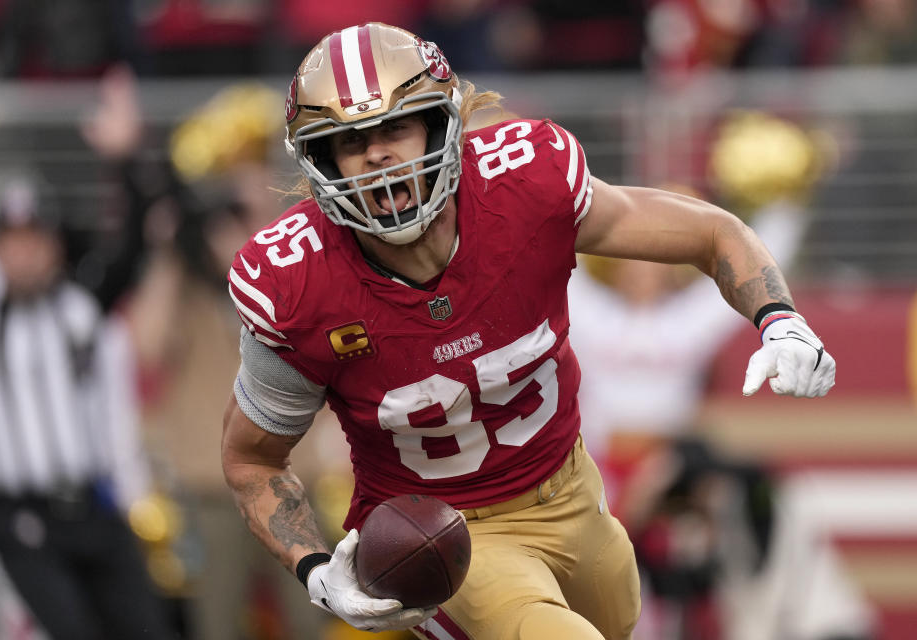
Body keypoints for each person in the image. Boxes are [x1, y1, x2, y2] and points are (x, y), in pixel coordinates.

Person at [221, 23, 836, 639]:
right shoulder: (295, 282)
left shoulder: (525, 187)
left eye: (395, 129)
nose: (377, 155)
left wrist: (780, 320)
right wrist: (315, 568)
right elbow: (252, 458)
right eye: (351, 140)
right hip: (444, 535)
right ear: (321, 159)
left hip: (572, 492)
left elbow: (710, 232)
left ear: (441, 126)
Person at [0, 167, 176, 640]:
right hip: (21, 520)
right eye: (11, 242)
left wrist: (123, 159)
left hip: (94, 508)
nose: (24, 255)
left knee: (148, 629)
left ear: (55, 245)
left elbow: (133, 247)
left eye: (34, 240)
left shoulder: (83, 306)